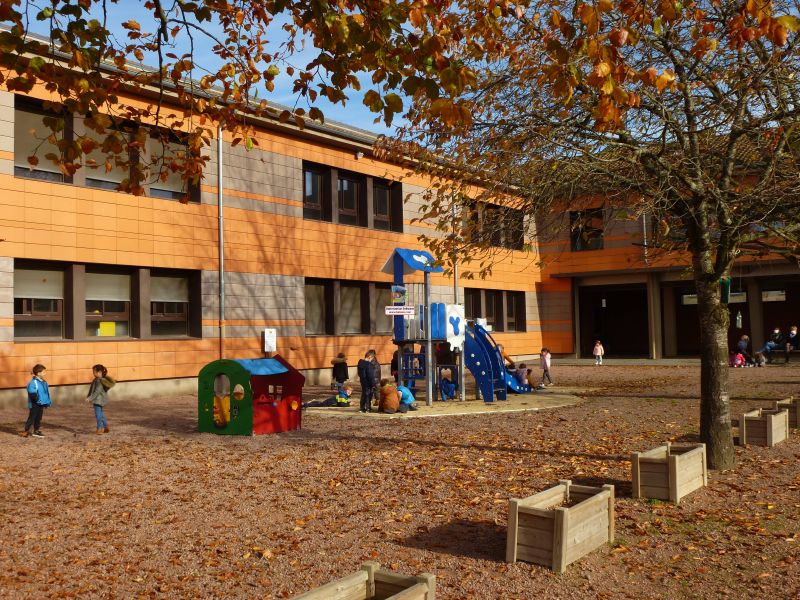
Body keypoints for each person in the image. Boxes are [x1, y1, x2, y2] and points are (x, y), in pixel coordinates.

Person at [19, 364, 51, 438]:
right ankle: (26, 431)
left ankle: (36, 431)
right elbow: (32, 393)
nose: (45, 373)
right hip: (35, 404)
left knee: (39, 418)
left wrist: (46, 402)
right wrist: (38, 400)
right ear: (38, 373)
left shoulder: (44, 382)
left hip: (41, 403)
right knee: (32, 417)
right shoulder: (33, 382)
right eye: (44, 372)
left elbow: (45, 393)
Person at [86, 364, 115, 434]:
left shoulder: (99, 381)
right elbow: (92, 389)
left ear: (99, 372)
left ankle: (99, 429)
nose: (93, 373)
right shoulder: (97, 379)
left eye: (94, 372)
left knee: (98, 414)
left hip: (98, 400)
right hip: (100, 400)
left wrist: (90, 398)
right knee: (101, 414)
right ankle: (106, 427)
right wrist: (89, 396)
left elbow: (97, 391)